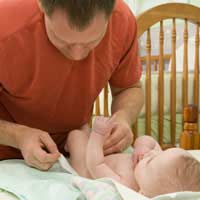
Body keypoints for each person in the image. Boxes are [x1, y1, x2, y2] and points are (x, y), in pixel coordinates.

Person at [0, 0, 144, 170]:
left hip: (74, 154)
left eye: (92, 42)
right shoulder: (5, 22)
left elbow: (129, 88)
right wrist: (17, 136)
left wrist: (124, 117)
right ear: (41, 7)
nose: (77, 56)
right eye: (63, 41)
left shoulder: (122, 20)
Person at [66, 116, 200, 198]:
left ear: (143, 193)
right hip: (105, 153)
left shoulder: (125, 184)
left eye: (148, 162)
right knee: (86, 133)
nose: (150, 154)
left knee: (76, 136)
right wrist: (142, 146)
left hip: (86, 167)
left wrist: (97, 135)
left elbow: (96, 164)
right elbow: (148, 140)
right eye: (160, 154)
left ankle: (72, 143)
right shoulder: (157, 162)